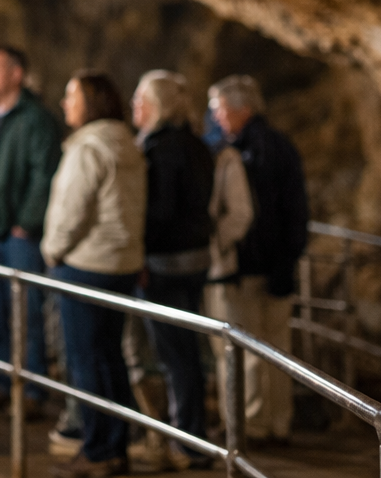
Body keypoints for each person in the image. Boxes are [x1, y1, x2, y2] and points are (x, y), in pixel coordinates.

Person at [41, 70, 146, 478]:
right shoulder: (126, 143)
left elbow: (72, 210)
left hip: (86, 266)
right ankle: (116, 444)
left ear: (92, 102)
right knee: (110, 357)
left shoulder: (88, 148)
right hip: (121, 265)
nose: (65, 103)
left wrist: (52, 251)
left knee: (85, 362)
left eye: (72, 96)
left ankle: (100, 450)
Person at [203, 75, 308, 446]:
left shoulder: (240, 153)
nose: (215, 118)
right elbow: (296, 209)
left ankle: (250, 424)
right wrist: (290, 256)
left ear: (241, 110)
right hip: (280, 264)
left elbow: (249, 215)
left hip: (248, 265)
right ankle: (279, 421)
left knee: (243, 349)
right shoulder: (282, 145)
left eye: (219, 109)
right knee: (278, 348)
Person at [0, 46, 62, 417]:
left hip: (17, 237)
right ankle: (3, 385)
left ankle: (33, 391)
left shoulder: (36, 120)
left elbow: (44, 173)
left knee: (27, 315)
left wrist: (27, 223)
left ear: (16, 73)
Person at [132, 71, 216, 470]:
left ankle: (187, 440)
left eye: (140, 101)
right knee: (189, 352)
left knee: (173, 354)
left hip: (163, 262)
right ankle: (192, 434)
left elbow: (160, 212)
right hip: (196, 259)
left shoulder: (158, 149)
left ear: (154, 106)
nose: (135, 109)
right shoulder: (198, 145)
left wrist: (141, 253)